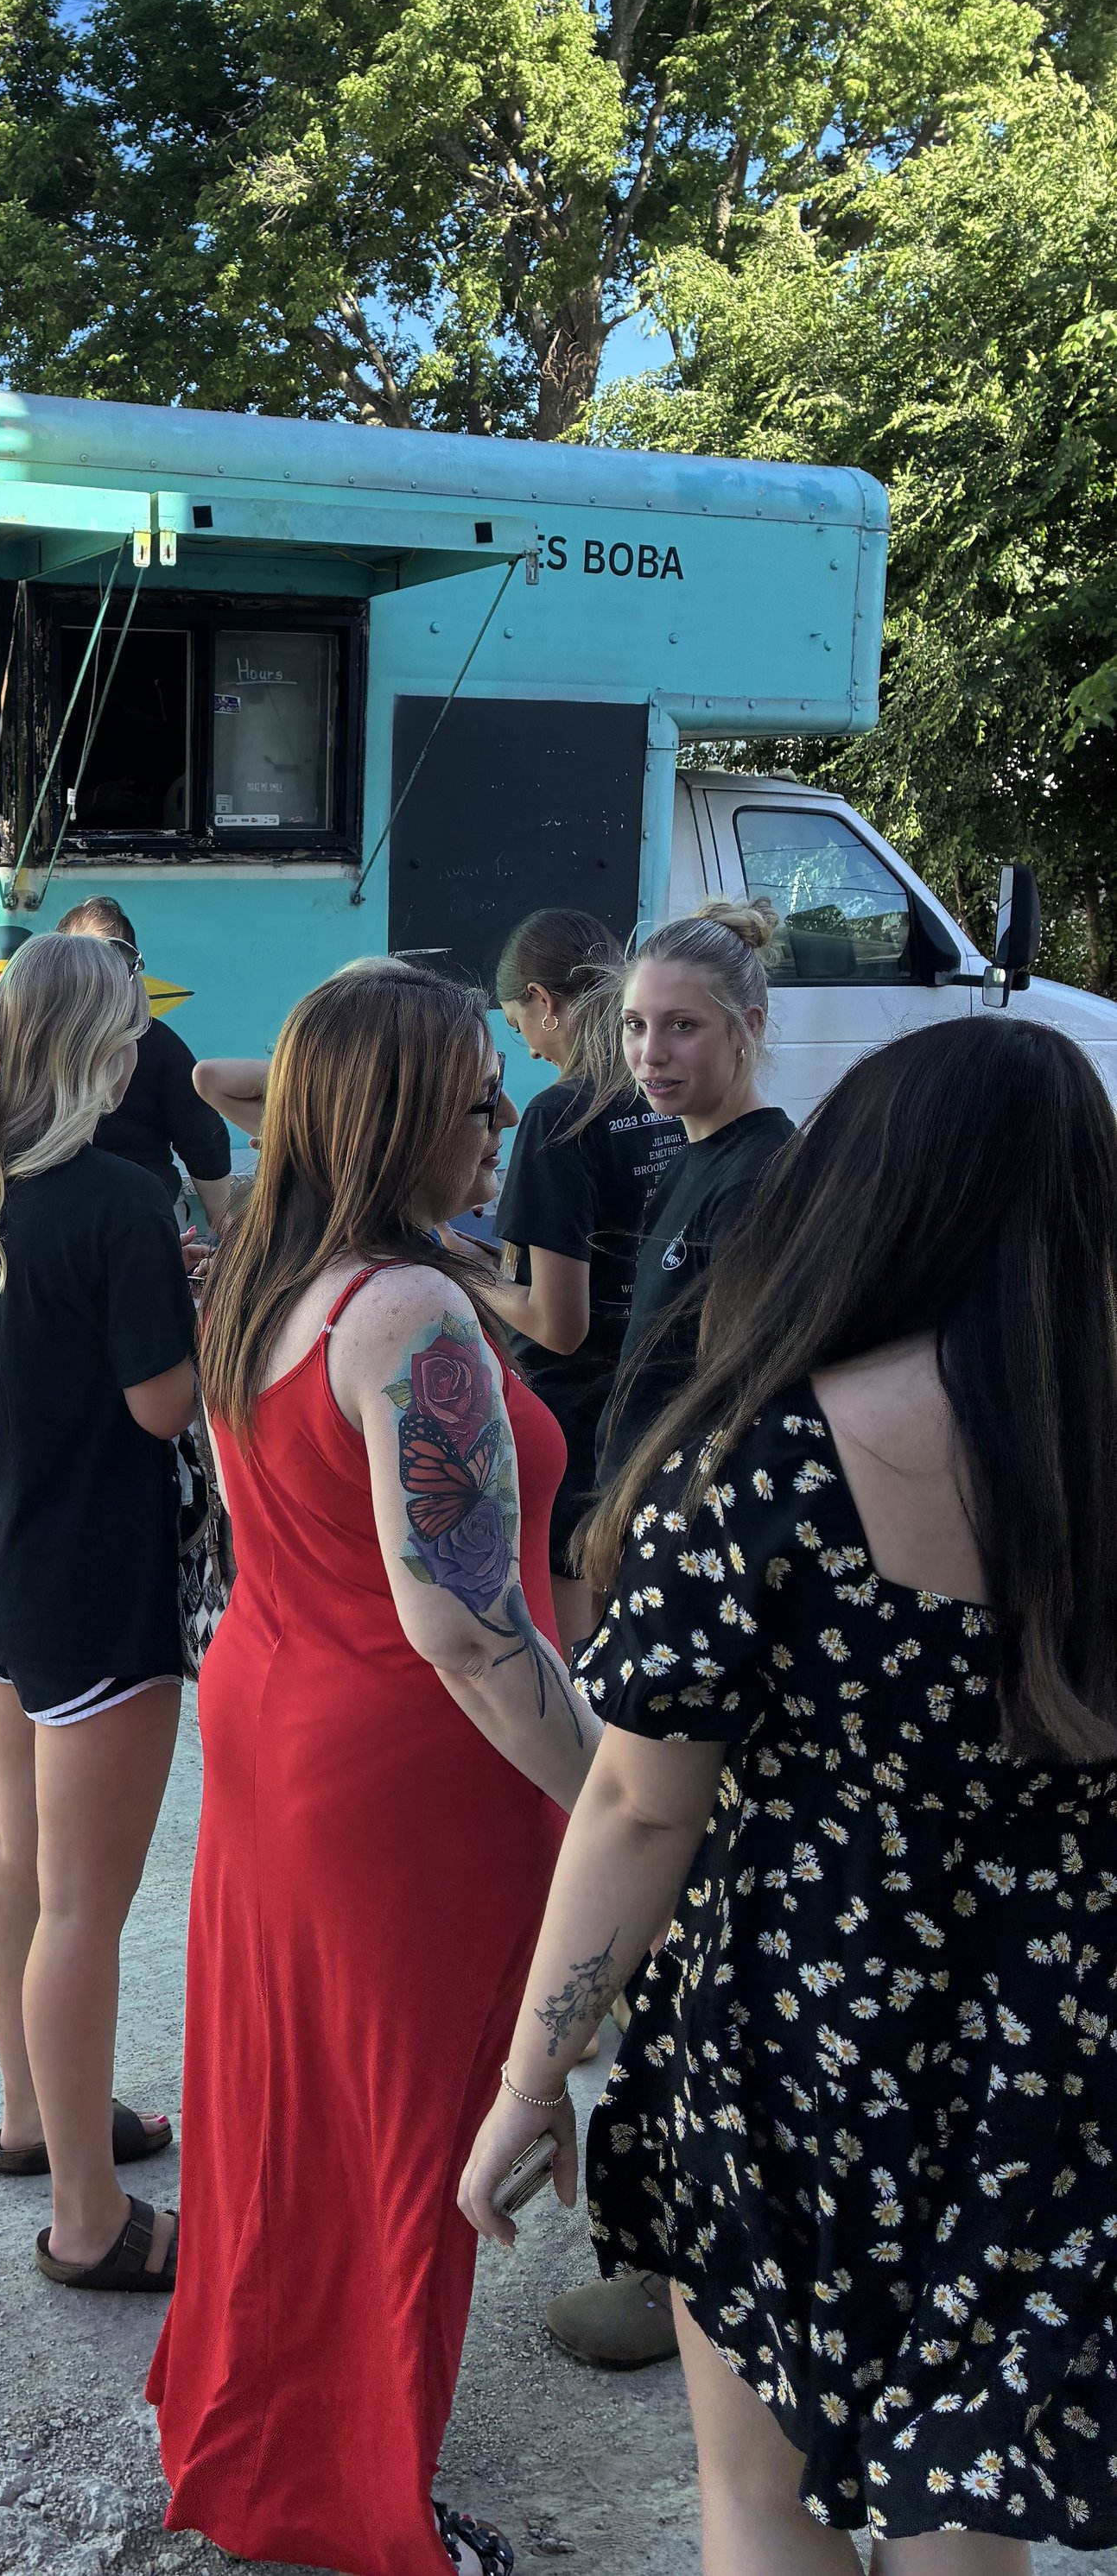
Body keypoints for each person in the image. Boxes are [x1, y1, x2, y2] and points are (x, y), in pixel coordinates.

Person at [459, 1016, 1117, 2571]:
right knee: (969, 2489)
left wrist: (531, 2078)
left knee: (764, 2493)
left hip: (802, 2028)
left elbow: (637, 1803)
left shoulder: (769, 1453)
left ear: (867, 1197)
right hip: (1065, 2034)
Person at [149, 959, 600, 2576]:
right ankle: (358, 2505)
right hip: (407, 1771)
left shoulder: (268, 1274)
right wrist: (616, 1790)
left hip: (278, 1720)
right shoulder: (407, 1314)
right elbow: (472, 1633)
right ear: (404, 1111)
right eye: (480, 1095)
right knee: (407, 2141)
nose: (504, 1121)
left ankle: (267, 2439)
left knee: (289, 2118)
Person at [0, 929, 198, 2293]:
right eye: (134, 1025)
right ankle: (91, 2218)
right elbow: (163, 1408)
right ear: (105, 1050)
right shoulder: (124, 1200)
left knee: (16, 1857)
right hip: (95, 1582)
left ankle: (37, 2118)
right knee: (87, 1905)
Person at [483, 906, 687, 1650]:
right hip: (662, 1391)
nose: (528, 1049)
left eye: (518, 1025)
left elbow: (555, 1323)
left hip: (574, 1414)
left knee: (579, 1654)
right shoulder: (665, 1097)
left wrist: (467, 1274)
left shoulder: (559, 1114)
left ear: (545, 1001)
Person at [593, 897, 793, 1485]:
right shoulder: (697, 1155)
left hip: (681, 1523)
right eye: (635, 1024)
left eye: (682, 1025)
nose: (650, 1053)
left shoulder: (760, 1177)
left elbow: (743, 1395)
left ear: (747, 1027)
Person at [55, 894, 236, 1238]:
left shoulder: (156, 1042)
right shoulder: (9, 1035)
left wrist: (224, 1226)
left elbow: (203, 1138)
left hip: (140, 1213)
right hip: (43, 1209)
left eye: (112, 960)